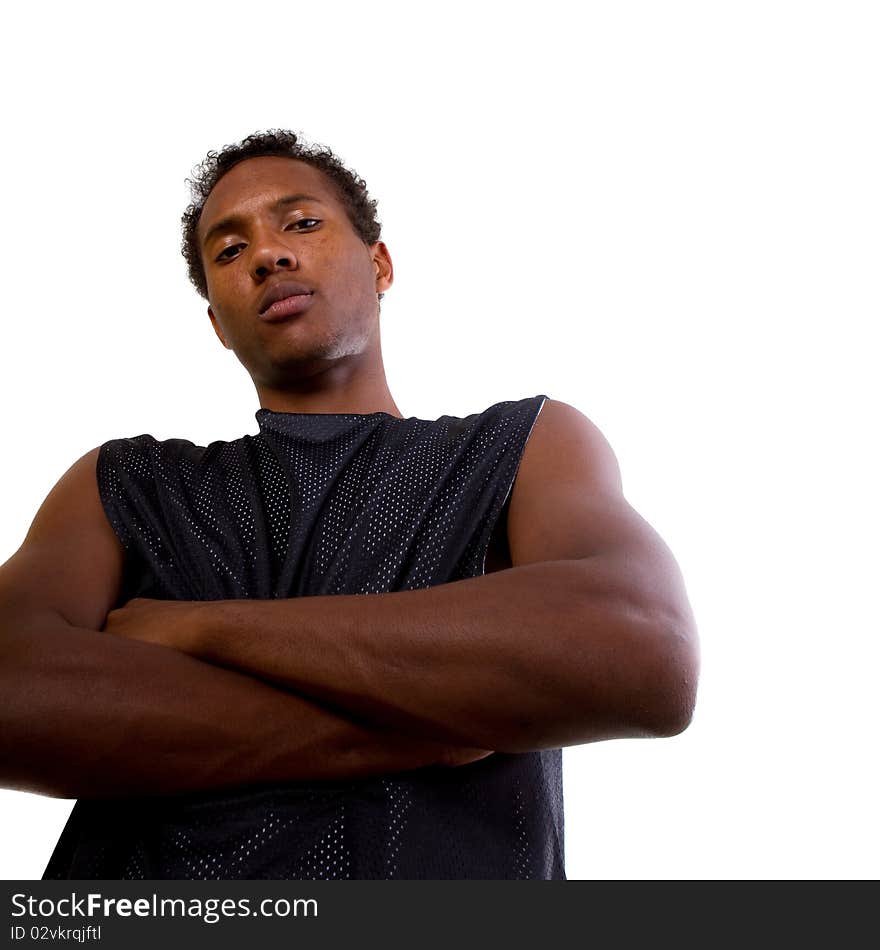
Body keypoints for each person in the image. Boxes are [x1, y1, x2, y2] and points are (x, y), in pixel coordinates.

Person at [0, 130, 700, 879]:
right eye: (229, 252)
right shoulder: (127, 485)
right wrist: (413, 727)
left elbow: (643, 649)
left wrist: (193, 628)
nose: (268, 255)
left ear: (380, 263)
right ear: (216, 323)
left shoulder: (520, 446)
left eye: (301, 223)